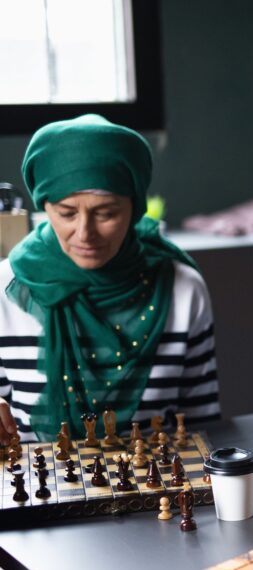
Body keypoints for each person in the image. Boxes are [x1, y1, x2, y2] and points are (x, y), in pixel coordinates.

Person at [0, 114, 220, 446]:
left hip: (154, 492)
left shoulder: (183, 291)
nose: (85, 233)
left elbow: (201, 429)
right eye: (66, 213)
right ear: (43, 205)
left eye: (106, 213)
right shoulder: (4, 289)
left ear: (136, 208)